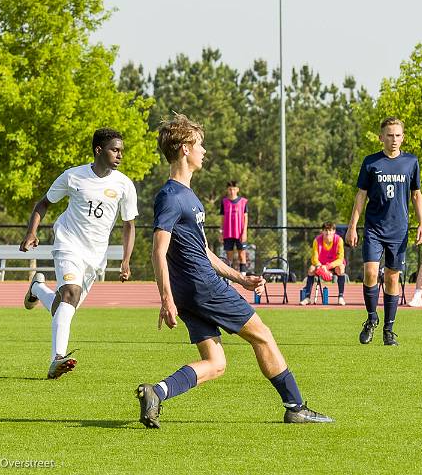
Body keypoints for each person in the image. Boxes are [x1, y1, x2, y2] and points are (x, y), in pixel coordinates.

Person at [136, 113, 333, 428]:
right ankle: (296, 407)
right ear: (185, 149)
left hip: (191, 294)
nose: (204, 151)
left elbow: (205, 251)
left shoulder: (186, 196)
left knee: (215, 364)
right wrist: (165, 298)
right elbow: (158, 250)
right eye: (199, 144)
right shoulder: (172, 197)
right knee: (264, 337)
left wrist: (241, 278)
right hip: (204, 289)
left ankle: (156, 392)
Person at [19, 128, 137, 379]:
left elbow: (129, 224)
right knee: (70, 294)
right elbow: (44, 203)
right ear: (98, 150)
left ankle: (37, 289)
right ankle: (56, 359)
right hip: (68, 243)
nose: (120, 155)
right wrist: (31, 232)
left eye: (121, 151)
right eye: (115, 150)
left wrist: (126, 260)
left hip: (95, 256)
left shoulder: (124, 184)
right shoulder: (73, 176)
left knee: (65, 307)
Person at [345, 117, 422, 346]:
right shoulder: (371, 162)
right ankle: (371, 319)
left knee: (392, 278)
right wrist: (352, 226)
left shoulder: (411, 162)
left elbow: (416, 195)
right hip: (374, 228)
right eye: (389, 135)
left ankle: (388, 330)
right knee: (370, 273)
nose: (394, 140)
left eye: (398, 135)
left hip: (399, 230)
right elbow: (361, 195)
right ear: (381, 137)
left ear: (403, 137)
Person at [300, 221, 347, 306]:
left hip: (334, 265)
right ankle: (307, 297)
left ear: (334, 231)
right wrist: (320, 266)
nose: (328, 232)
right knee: (311, 269)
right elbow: (314, 258)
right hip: (321, 265)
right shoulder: (317, 240)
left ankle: (341, 297)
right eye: (326, 230)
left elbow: (340, 259)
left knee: (341, 268)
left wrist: (328, 267)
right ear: (322, 231)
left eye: (330, 230)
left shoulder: (339, 240)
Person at [219, 180, 249, 275]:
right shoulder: (224, 202)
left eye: (234, 189)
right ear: (227, 190)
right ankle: (229, 276)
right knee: (229, 256)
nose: (232, 191)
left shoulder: (243, 202)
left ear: (237, 190)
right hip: (228, 233)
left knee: (242, 255)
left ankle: (243, 275)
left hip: (240, 233)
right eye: (230, 189)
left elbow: (245, 218)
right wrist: (221, 232)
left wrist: (244, 232)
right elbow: (222, 218)